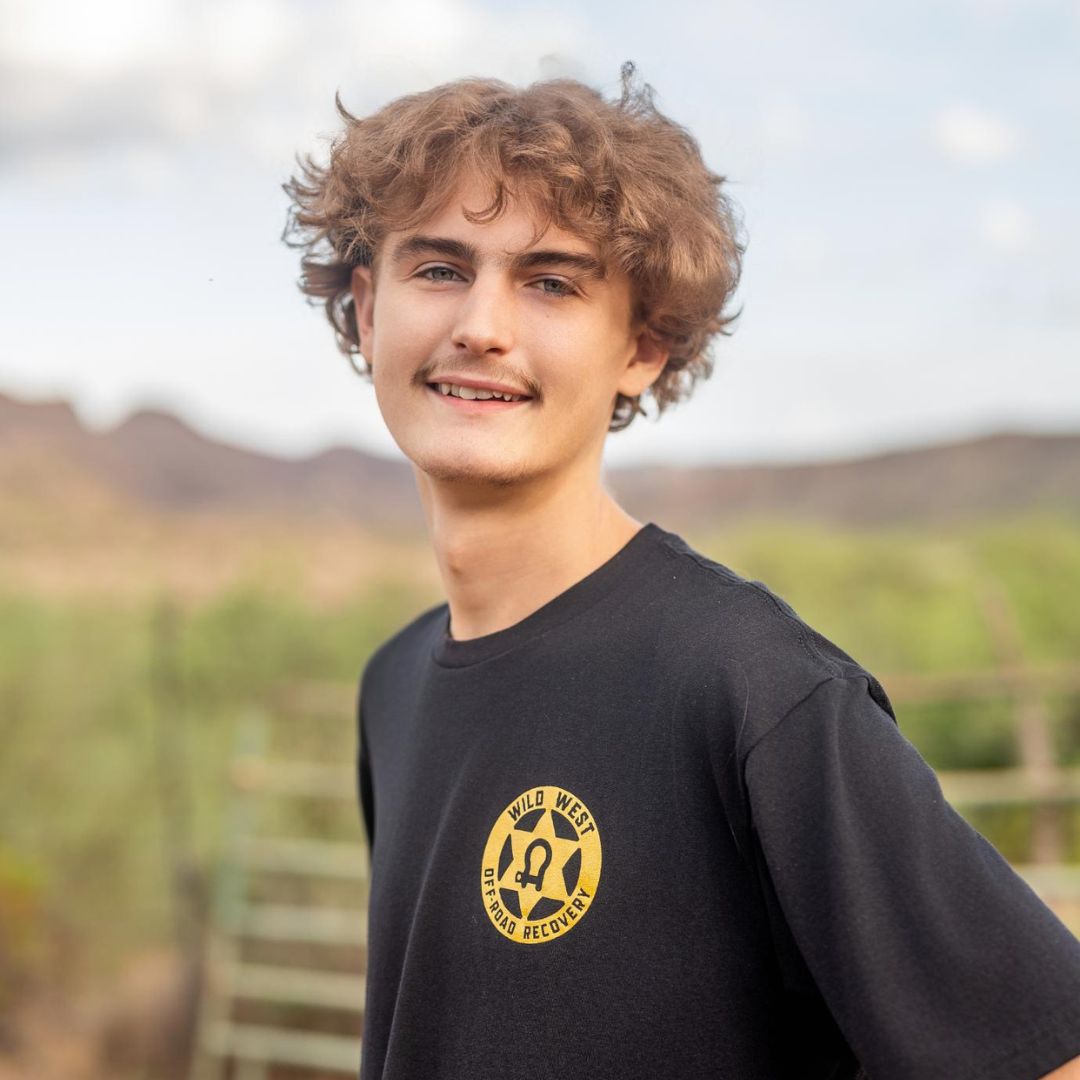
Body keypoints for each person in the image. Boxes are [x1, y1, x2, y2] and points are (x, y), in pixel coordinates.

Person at [283, 62, 1080, 1080]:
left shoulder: (748, 685)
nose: (481, 325)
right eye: (438, 269)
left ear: (644, 347)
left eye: (552, 282)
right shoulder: (391, 688)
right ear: (365, 306)